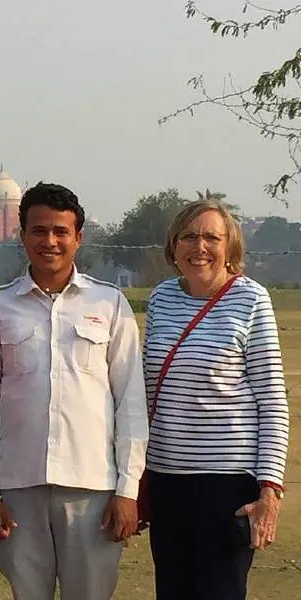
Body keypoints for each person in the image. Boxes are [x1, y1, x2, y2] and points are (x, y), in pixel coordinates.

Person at [0, 182, 148, 600]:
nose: (50, 242)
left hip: (92, 487)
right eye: (39, 230)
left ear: (78, 238)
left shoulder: (109, 304)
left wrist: (127, 490)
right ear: (23, 235)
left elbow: (130, 403)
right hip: (17, 488)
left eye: (61, 232)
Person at [143, 197, 289, 600]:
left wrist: (269, 489)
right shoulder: (161, 299)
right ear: (174, 245)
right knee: (171, 591)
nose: (199, 246)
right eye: (189, 236)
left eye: (211, 236)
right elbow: (149, 389)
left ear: (230, 247)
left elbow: (272, 401)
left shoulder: (251, 299)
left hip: (226, 483)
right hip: (167, 478)